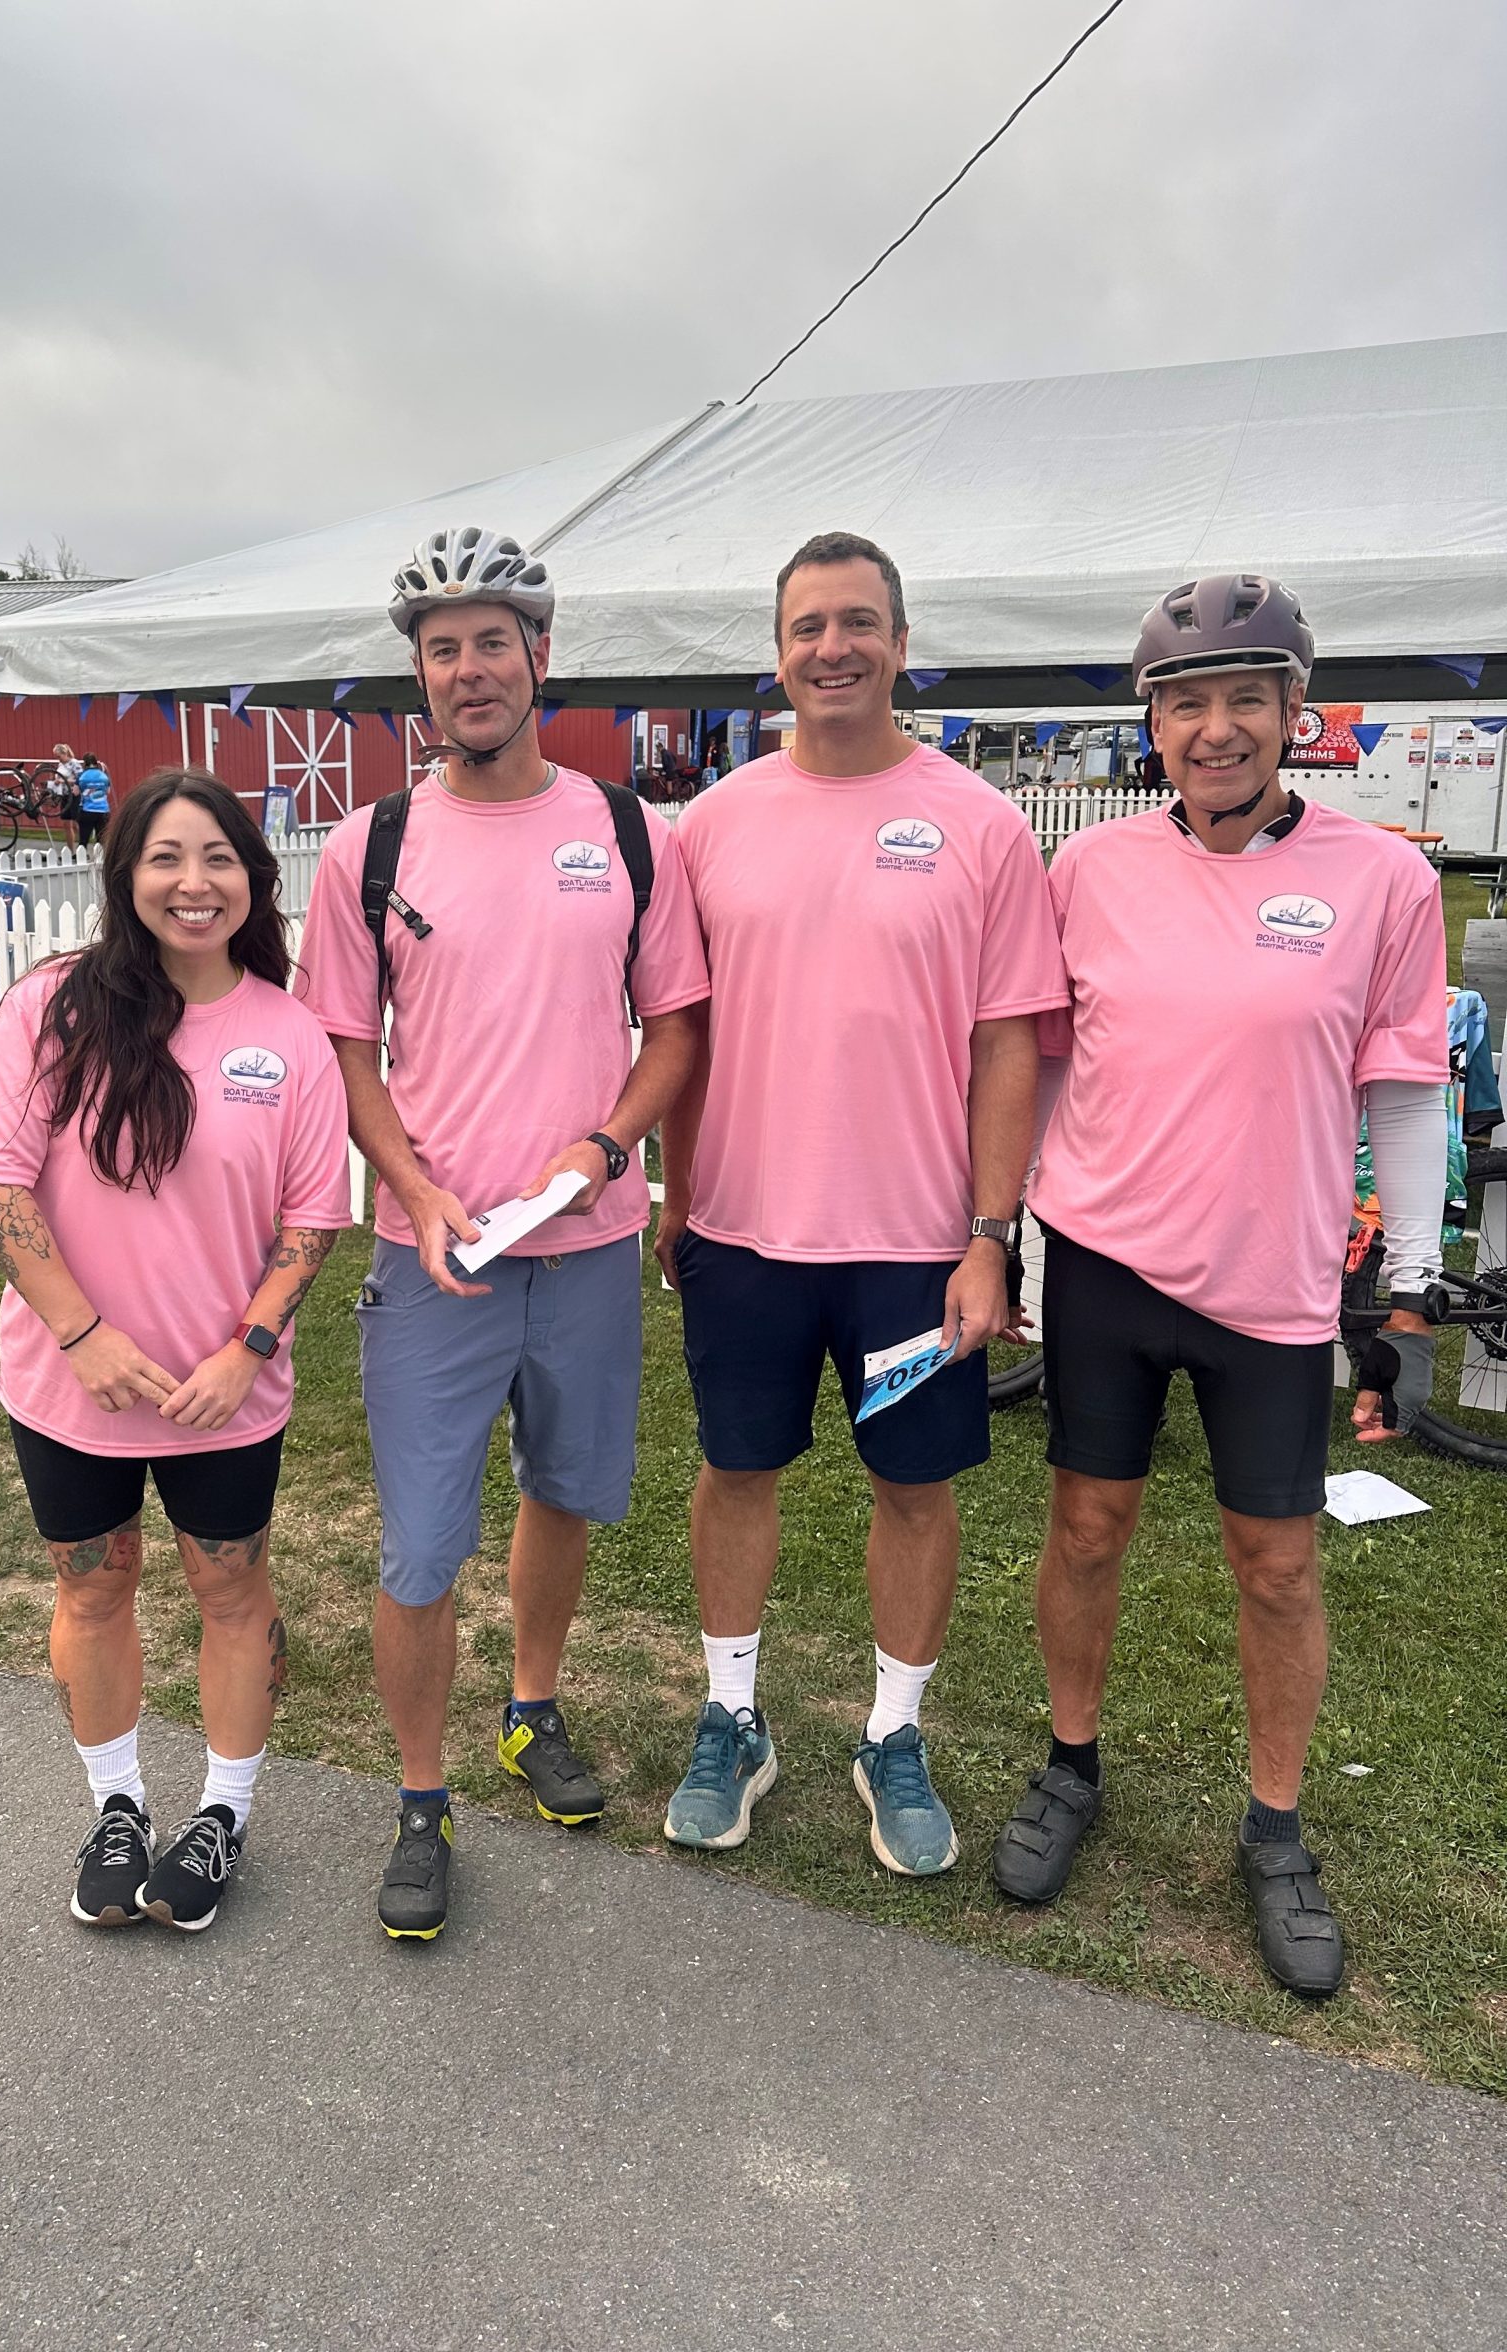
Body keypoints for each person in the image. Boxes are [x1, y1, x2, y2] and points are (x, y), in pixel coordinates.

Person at [992, 577, 1449, 1998]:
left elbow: (1407, 1086)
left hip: (1274, 1282)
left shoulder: (1387, 879)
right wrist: (1006, 1235)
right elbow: (1048, 1061)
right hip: (1106, 1263)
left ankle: (1275, 1827)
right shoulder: (1093, 872)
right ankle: (1072, 1765)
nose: (1216, 728)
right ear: (1155, 725)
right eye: (1186, 703)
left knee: (1279, 1564)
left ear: (1293, 714)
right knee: (1085, 1530)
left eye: (1246, 699)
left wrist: (1413, 1278)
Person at [296, 526, 709, 1940]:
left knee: (565, 1494)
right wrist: (413, 1194)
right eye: (442, 648)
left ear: (542, 656)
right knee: (419, 1551)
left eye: (492, 641)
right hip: (438, 1264)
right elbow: (345, 1051)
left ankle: (530, 1713)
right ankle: (421, 1798)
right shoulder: (376, 844)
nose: (469, 669)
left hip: (588, 1252)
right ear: (419, 676)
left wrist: (607, 1146)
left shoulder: (627, 831)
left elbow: (677, 1029)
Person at [655, 532, 1066, 1874]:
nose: (832, 647)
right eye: (807, 626)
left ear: (901, 640)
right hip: (744, 1236)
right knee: (737, 1473)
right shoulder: (711, 825)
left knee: (914, 1489)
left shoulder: (981, 824)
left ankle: (894, 1735)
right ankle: (733, 1719)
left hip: (914, 1253)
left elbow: (1013, 1041)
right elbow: (685, 1027)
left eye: (858, 623)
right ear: (776, 653)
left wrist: (991, 1235)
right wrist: (676, 1191)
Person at [0, 767, 352, 1931]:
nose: (194, 882)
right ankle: (117, 1805)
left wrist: (248, 1347)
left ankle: (223, 1811)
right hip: (68, 1382)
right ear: (126, 875)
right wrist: (81, 1334)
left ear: (253, 879)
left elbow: (311, 1220)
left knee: (230, 1586)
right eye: (167, 858)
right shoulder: (54, 1008)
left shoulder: (291, 1035)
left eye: (219, 858)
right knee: (95, 1585)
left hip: (223, 1393)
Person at [73, 754, 111, 849]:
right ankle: (101, 858)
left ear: (85, 763)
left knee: (84, 838)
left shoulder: (82, 776)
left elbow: (75, 792)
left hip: (87, 810)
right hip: (103, 810)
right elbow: (108, 791)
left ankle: (82, 856)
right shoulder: (104, 775)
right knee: (102, 839)